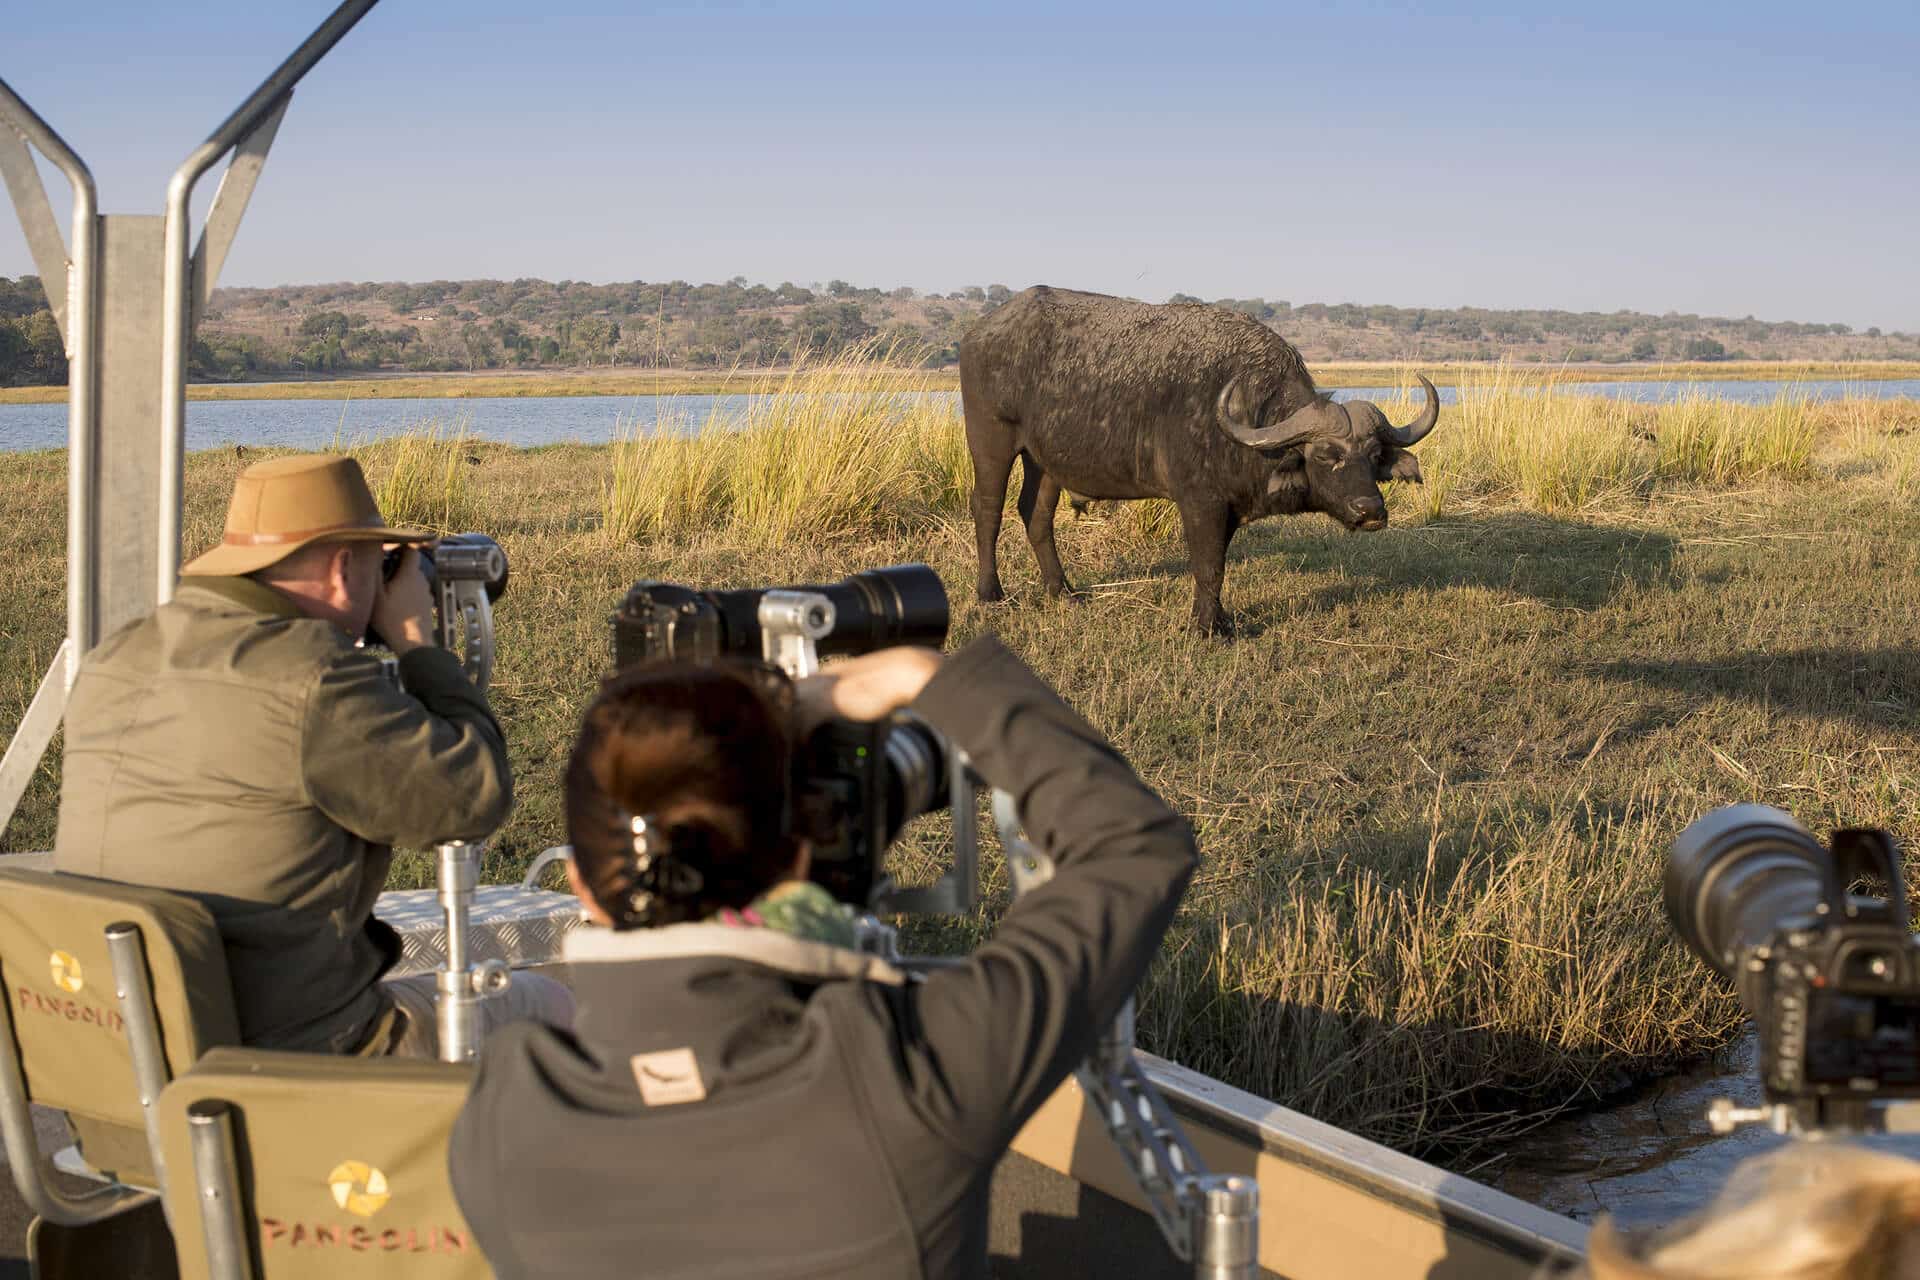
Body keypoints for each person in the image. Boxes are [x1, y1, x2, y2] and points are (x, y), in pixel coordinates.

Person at [448, 635, 1199, 1279]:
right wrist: (917, 673)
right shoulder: (913, 1076)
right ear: (799, 857)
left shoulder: (502, 1118)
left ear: (580, 880)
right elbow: (1132, 847)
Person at [54, 453, 570, 1058]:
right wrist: (417, 644)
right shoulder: (312, 679)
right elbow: (473, 796)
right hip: (290, 1054)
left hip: (118, 1046)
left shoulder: (115, 658)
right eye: (381, 566)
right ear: (343, 567)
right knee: (555, 1007)